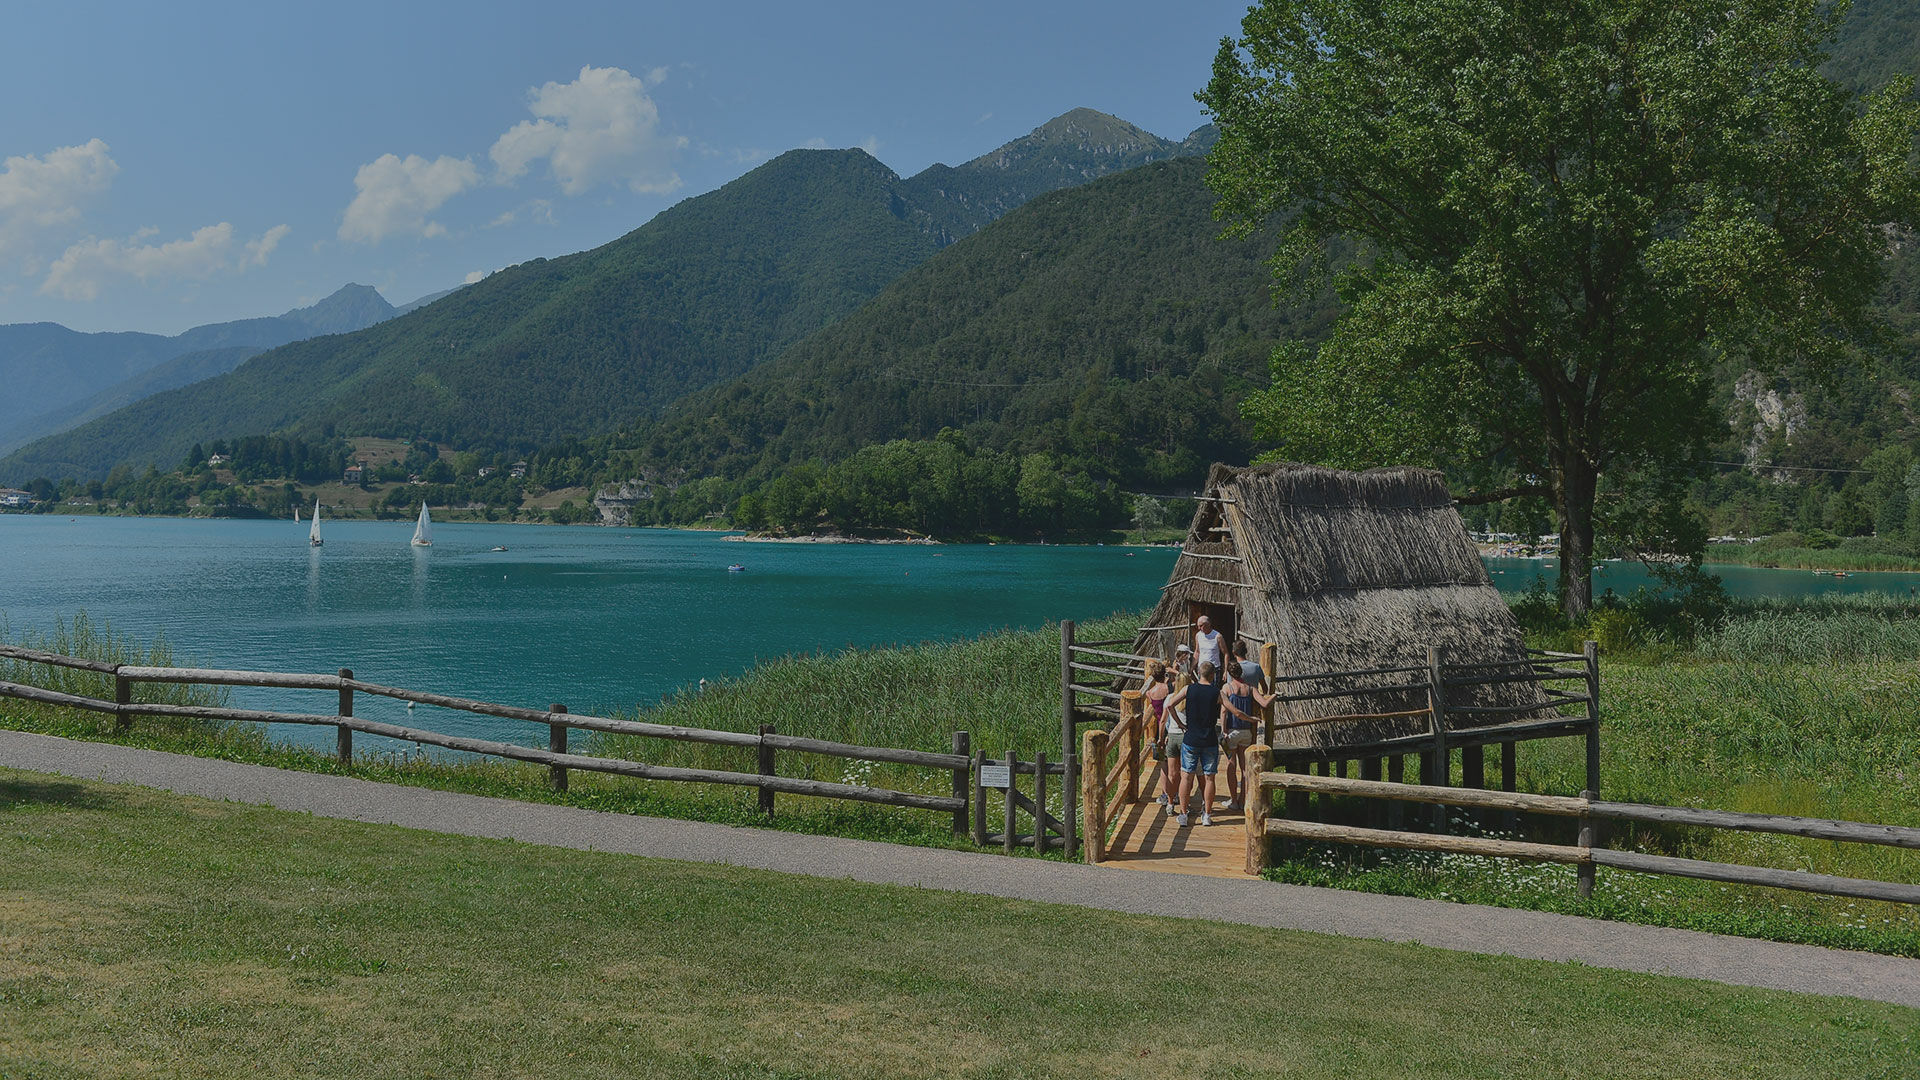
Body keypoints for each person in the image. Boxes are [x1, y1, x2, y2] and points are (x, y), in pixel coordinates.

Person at [1165, 661, 1226, 826]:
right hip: (1210, 740)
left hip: (1191, 739)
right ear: (1213, 675)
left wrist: (1180, 724)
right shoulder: (1216, 692)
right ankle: (1206, 815)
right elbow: (1227, 709)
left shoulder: (1188, 689)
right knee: (1210, 778)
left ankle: (1183, 815)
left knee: (1186, 776)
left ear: (1199, 673)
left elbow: (1170, 705)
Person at [1220, 663, 1274, 812]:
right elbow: (1264, 703)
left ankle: (1233, 801)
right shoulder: (1250, 688)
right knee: (1245, 769)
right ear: (1241, 673)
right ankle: (1243, 800)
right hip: (1246, 732)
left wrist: (1223, 730)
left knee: (1231, 766)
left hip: (1232, 731)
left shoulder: (1227, 688)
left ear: (1230, 674)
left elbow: (1224, 712)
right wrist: (1273, 695)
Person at [1141, 661, 1180, 809]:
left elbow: (1156, 711)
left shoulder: (1150, 693)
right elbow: (1186, 679)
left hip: (1159, 729)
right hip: (1173, 726)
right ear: (1164, 673)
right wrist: (1174, 672)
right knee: (1176, 764)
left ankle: (1165, 794)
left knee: (1163, 765)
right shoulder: (1171, 688)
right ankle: (1175, 793)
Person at [1193, 615, 1225, 684]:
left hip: (1214, 669)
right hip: (1201, 669)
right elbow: (1197, 652)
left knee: (1213, 691)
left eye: (1201, 626)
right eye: (1198, 626)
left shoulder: (1218, 636)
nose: (1199, 628)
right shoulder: (1198, 635)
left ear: (1208, 624)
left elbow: (1226, 653)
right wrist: (1192, 667)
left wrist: (1225, 671)